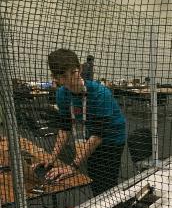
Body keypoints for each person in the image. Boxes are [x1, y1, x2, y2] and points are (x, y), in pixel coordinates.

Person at [35, 48, 126, 197]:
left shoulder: (100, 94)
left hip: (112, 139)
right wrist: (52, 158)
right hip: (90, 136)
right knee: (94, 178)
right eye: (63, 76)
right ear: (55, 77)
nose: (70, 80)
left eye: (73, 73)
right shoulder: (61, 94)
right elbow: (65, 128)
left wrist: (73, 166)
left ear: (80, 68)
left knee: (106, 183)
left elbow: (98, 135)